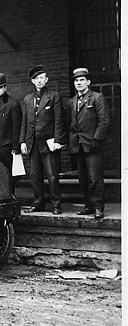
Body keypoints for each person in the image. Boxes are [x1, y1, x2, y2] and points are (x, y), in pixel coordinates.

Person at [20, 65, 66, 214]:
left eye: (42, 78)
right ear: (32, 81)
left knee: (52, 176)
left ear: (46, 79)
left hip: (48, 143)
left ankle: (56, 205)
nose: (39, 81)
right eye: (36, 78)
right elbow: (24, 122)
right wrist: (22, 141)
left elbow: (59, 120)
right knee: (34, 176)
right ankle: (38, 203)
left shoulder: (54, 96)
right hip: (32, 143)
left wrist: (57, 140)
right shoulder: (27, 99)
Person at [67, 68, 110, 219]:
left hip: (93, 145)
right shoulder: (72, 101)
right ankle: (88, 206)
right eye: (76, 80)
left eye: (82, 80)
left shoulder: (97, 98)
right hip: (78, 145)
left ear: (88, 82)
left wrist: (96, 140)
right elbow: (70, 124)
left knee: (94, 177)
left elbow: (104, 121)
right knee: (83, 178)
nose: (79, 83)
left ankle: (98, 207)